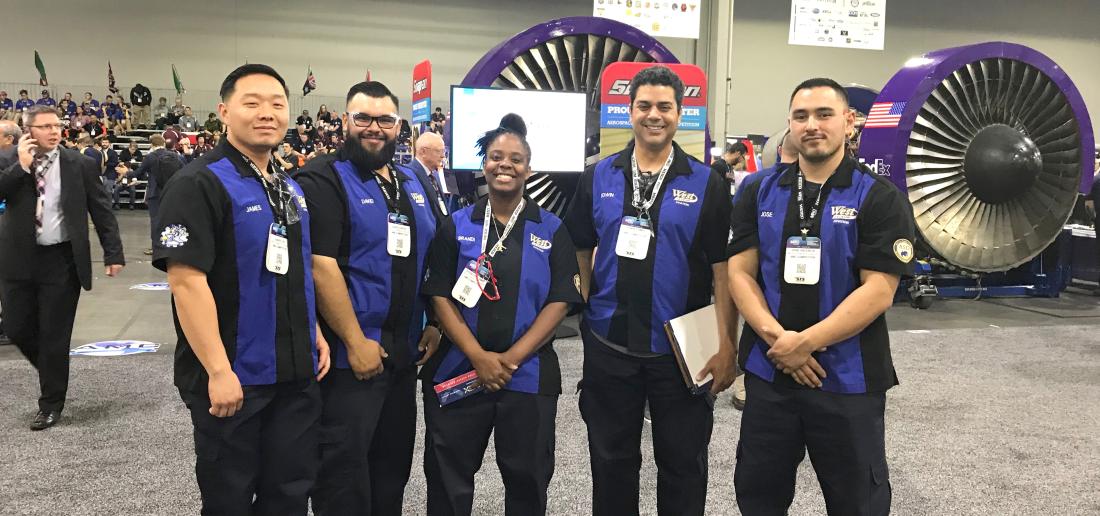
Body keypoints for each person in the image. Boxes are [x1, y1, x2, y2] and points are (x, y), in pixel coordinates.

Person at [727, 78, 916, 516]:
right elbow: (739, 272)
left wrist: (805, 343)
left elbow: (879, 290)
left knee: (857, 501)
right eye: (801, 116)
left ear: (849, 122)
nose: (811, 125)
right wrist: (780, 342)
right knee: (758, 495)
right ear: (790, 125)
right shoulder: (758, 191)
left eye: (824, 114)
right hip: (770, 373)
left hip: (848, 380)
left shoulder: (880, 198)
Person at [152, 63, 330, 515]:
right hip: (234, 378)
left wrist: (313, 331)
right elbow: (186, 282)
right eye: (251, 103)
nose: (266, 113)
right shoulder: (199, 182)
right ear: (224, 112)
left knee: (289, 493)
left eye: (276, 104)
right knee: (229, 498)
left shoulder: (287, 187)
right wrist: (217, 371)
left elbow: (294, 270)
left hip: (293, 376)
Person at [562, 65, 738, 516]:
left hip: (680, 352)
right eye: (644, 106)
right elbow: (581, 247)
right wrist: (585, 310)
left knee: (683, 465)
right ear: (629, 112)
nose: (654, 115)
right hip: (609, 344)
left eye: (664, 107)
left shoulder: (707, 183)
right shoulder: (597, 176)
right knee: (611, 461)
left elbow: (723, 270)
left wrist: (726, 346)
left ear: (680, 115)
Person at [420, 113, 583, 516]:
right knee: (447, 478)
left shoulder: (552, 228)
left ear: (529, 168)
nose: (505, 164)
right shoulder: (455, 225)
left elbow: (561, 299)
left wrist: (508, 360)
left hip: (526, 376)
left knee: (527, 480)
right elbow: (439, 293)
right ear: (484, 164)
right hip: (459, 370)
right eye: (496, 156)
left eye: (515, 158)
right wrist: (478, 357)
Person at [296, 80, 442, 515]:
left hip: (401, 355)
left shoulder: (410, 180)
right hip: (350, 358)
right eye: (363, 118)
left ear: (399, 127)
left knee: (391, 469)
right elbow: (321, 265)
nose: (374, 128)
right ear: (345, 122)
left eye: (384, 119)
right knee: (342, 475)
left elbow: (435, 253)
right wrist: (355, 341)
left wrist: (433, 322)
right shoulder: (323, 177)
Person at [0, 105, 124, 430]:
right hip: (17, 259)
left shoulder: (79, 163)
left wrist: (113, 253)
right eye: (45, 127)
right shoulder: (9, 159)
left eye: (56, 125)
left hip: (62, 260)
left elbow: (101, 208)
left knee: (55, 335)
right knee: (16, 327)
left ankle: (51, 403)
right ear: (28, 131)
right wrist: (21, 168)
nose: (54, 131)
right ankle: (51, 368)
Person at [408, 131, 457, 216]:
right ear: (423, 152)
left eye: (443, 151)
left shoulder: (434, 176)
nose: (443, 156)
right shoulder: (408, 176)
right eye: (439, 151)